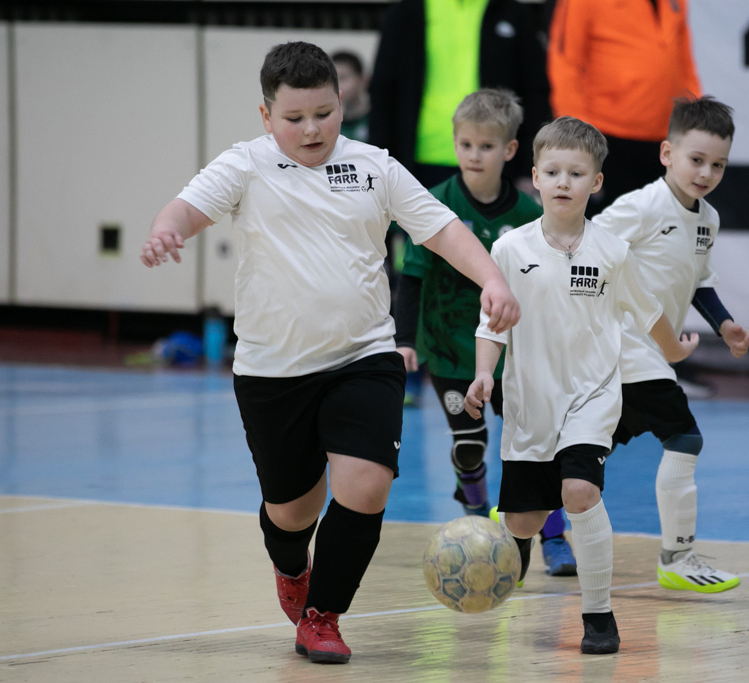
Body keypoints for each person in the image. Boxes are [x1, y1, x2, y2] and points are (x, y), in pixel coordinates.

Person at [139, 41, 520, 665]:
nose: (312, 129)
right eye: (294, 118)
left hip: (363, 357)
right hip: (272, 370)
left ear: (342, 103)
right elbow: (187, 209)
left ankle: (323, 616)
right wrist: (166, 229)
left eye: (324, 113)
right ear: (266, 115)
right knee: (293, 512)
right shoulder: (245, 165)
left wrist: (493, 280)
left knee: (366, 487)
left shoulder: (374, 166)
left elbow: (442, 228)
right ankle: (292, 567)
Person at [464, 116, 698, 654]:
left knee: (580, 492)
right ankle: (517, 546)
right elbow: (491, 325)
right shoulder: (510, 249)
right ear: (535, 178)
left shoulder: (613, 251)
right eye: (552, 172)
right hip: (530, 406)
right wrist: (483, 373)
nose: (563, 182)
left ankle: (598, 615)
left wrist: (674, 350)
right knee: (523, 520)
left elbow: (649, 312)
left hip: (593, 398)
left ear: (596, 182)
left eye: (576, 173)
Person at [395, 88, 577, 577]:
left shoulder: (529, 216)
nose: (474, 155)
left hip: (514, 355)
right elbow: (411, 277)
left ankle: (554, 535)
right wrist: (405, 340)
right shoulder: (434, 206)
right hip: (450, 351)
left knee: (535, 449)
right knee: (470, 444)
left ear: (510, 150)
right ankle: (478, 520)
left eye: (487, 146)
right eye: (466, 145)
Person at [592, 95, 749, 593]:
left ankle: (526, 504)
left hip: (651, 351)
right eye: (696, 159)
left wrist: (725, 325)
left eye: (718, 165)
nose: (706, 173)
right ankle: (677, 558)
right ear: (667, 153)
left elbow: (698, 279)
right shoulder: (641, 206)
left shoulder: (708, 220)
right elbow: (587, 248)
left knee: (591, 449)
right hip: (623, 347)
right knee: (685, 438)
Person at [368, 0, 551, 190]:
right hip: (419, 161)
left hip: (495, 161)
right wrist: (378, 164)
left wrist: (528, 166)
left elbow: (534, 92)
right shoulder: (404, 12)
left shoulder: (513, 12)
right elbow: (382, 92)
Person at [547, 0, 701, 215]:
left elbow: (684, 61)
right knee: (605, 228)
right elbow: (565, 62)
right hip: (606, 139)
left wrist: (695, 118)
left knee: (659, 227)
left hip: (667, 139)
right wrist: (576, 136)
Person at [332, 51, 370, 142]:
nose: (336, 86)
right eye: (331, 79)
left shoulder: (381, 120)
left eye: (342, 78)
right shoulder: (326, 123)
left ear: (363, 80)